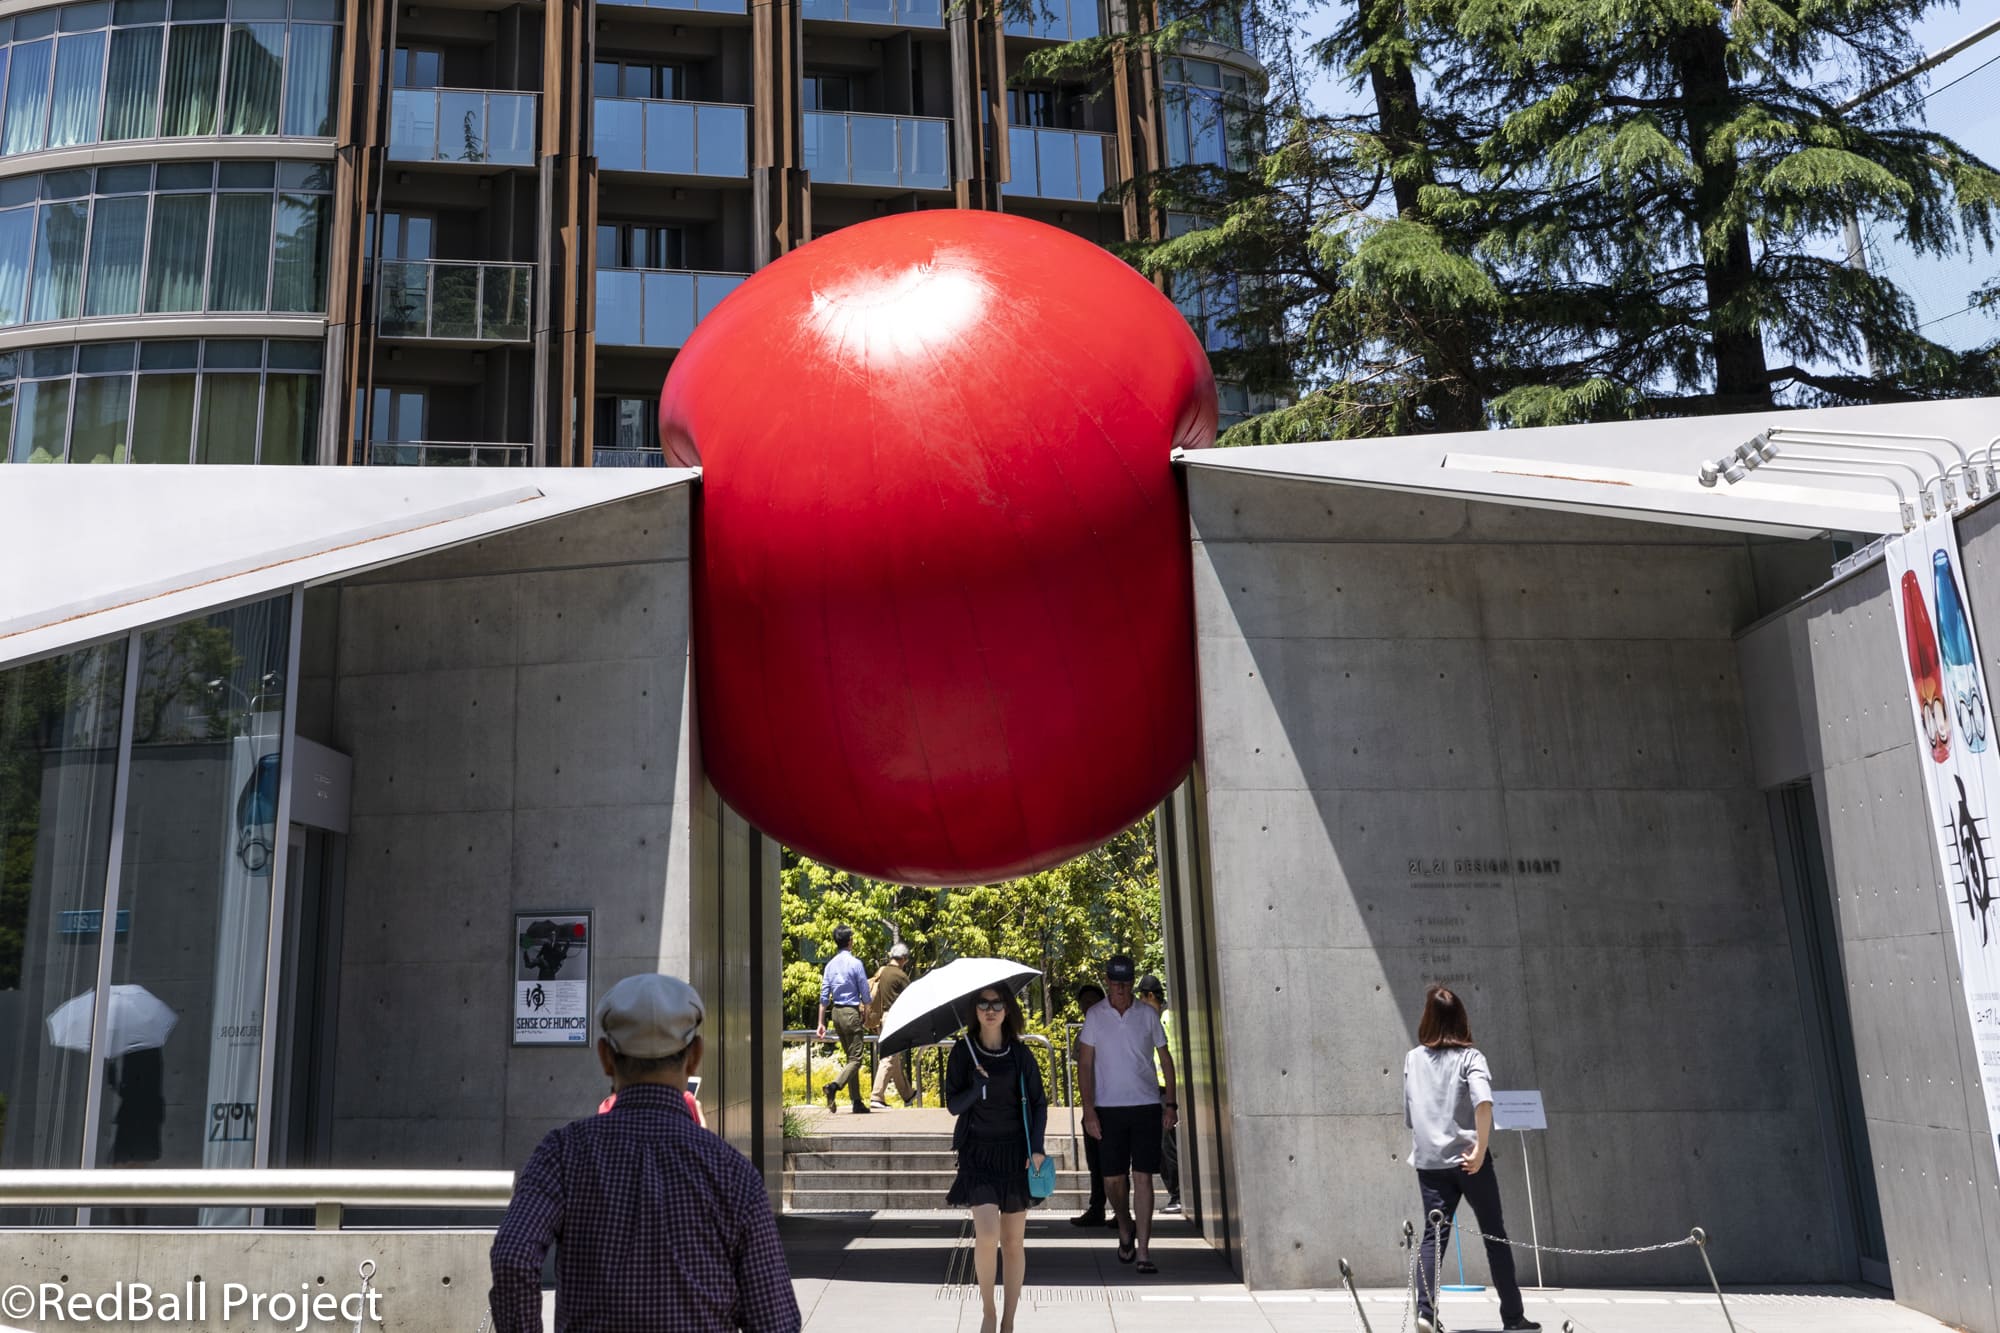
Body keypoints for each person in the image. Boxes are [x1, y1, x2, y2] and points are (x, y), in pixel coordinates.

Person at [490, 973, 799, 1333]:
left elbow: (513, 1257)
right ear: (695, 1056)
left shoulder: (562, 1153)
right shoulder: (732, 1172)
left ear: (605, 1057)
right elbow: (775, 1321)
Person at [1403, 984, 1539, 1333]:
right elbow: (1484, 1102)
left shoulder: (1413, 1058)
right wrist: (1479, 1148)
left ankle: (1425, 1313)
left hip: (1430, 1162)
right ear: (1461, 1018)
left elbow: (1410, 1113)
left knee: (1433, 1237)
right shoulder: (1470, 1057)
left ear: (1427, 1019)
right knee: (1495, 1236)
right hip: (1469, 1160)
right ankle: (1514, 1318)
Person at [945, 983, 1049, 1333]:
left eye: (997, 1004)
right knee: (988, 1235)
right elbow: (953, 1105)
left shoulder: (1020, 1054)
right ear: (974, 1010)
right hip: (977, 1153)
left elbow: (1038, 1102)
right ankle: (989, 1312)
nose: (990, 1010)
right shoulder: (963, 1052)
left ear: (1008, 1010)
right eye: (983, 1003)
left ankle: (1008, 1321)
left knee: (1014, 1242)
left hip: (1015, 1153)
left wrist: (1036, 1147)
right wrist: (975, 1088)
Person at [1076, 953, 1174, 1274]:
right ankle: (1123, 1222)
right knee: (1113, 1180)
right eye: (1115, 982)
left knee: (1143, 1177)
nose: (1120, 988)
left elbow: (1166, 1058)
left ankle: (1143, 1251)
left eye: (1126, 982)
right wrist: (1089, 1110)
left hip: (1145, 1106)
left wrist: (1170, 1104)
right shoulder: (1095, 1016)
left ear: (1132, 982)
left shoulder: (1147, 1014)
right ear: (1107, 981)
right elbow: (1085, 1064)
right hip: (1108, 1109)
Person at [1068, 982, 1114, 1229]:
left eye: (1092, 1002)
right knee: (1095, 1163)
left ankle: (1121, 1212)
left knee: (1115, 1163)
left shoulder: (1113, 1029)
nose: (1087, 1007)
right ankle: (1097, 1207)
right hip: (1091, 1107)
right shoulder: (1083, 1034)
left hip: (1113, 1104)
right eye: (1083, 1003)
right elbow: (1081, 1069)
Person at [1135, 974, 1182, 1215]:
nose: (1140, 1003)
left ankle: (1178, 1194)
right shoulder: (1160, 1018)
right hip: (1159, 1091)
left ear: (1150, 996)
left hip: (1166, 1091)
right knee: (1164, 1144)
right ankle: (1177, 1193)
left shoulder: (1164, 1018)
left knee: (1167, 1145)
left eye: (1142, 997)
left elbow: (1171, 1055)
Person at [815, 924, 872, 1114]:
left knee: (850, 1059)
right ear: (850, 942)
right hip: (850, 1012)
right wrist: (866, 1012)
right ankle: (834, 1086)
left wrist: (821, 1022)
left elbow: (824, 995)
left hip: (836, 1013)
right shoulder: (855, 964)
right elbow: (865, 991)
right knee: (856, 1059)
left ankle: (856, 1101)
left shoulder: (830, 965)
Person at [867, 942, 916, 1108]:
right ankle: (876, 1096)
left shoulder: (883, 972)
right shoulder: (900, 976)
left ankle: (907, 1094)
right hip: (895, 1018)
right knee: (889, 1057)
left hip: (882, 1017)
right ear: (904, 958)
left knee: (894, 1058)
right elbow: (911, 998)